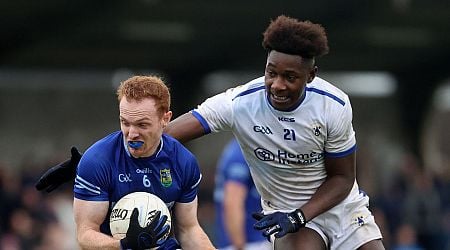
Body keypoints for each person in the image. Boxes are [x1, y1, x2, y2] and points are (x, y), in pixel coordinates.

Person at [36, 15, 384, 249]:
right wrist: (92, 159)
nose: (276, 85)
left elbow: (341, 179)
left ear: (311, 75)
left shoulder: (333, 105)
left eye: (289, 77)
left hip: (339, 206)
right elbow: (161, 133)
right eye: (271, 72)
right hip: (285, 216)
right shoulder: (240, 103)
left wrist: (300, 214)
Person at [54, 75, 215, 250]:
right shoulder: (97, 161)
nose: (131, 134)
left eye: (142, 125)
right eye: (125, 123)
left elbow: (189, 230)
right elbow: (85, 235)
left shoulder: (183, 162)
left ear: (165, 119)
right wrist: (124, 245)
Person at [213, 139, 271, 250]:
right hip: (250, 243)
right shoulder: (242, 151)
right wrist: (239, 245)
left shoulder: (239, 148)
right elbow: (232, 202)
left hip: (250, 242)